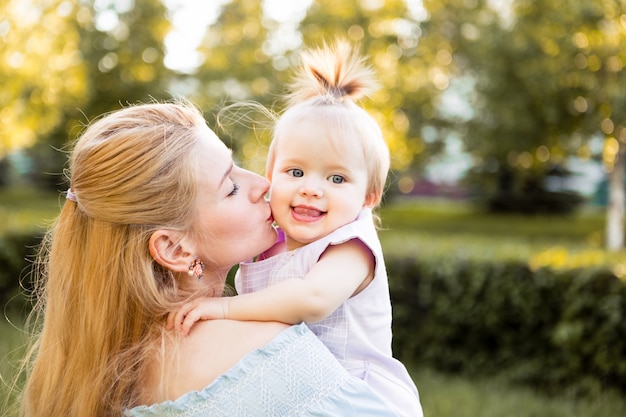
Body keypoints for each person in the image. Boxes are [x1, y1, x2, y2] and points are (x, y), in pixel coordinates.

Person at [17, 101, 401, 416]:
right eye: (231, 186)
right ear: (175, 250)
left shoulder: (110, 363)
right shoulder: (260, 353)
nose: (263, 184)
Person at [170, 41, 423, 417]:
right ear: (271, 174)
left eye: (336, 178)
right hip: (292, 389)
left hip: (354, 396)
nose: (311, 187)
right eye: (296, 172)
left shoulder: (350, 247)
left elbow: (313, 299)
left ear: (368, 196)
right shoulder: (270, 239)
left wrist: (224, 307)